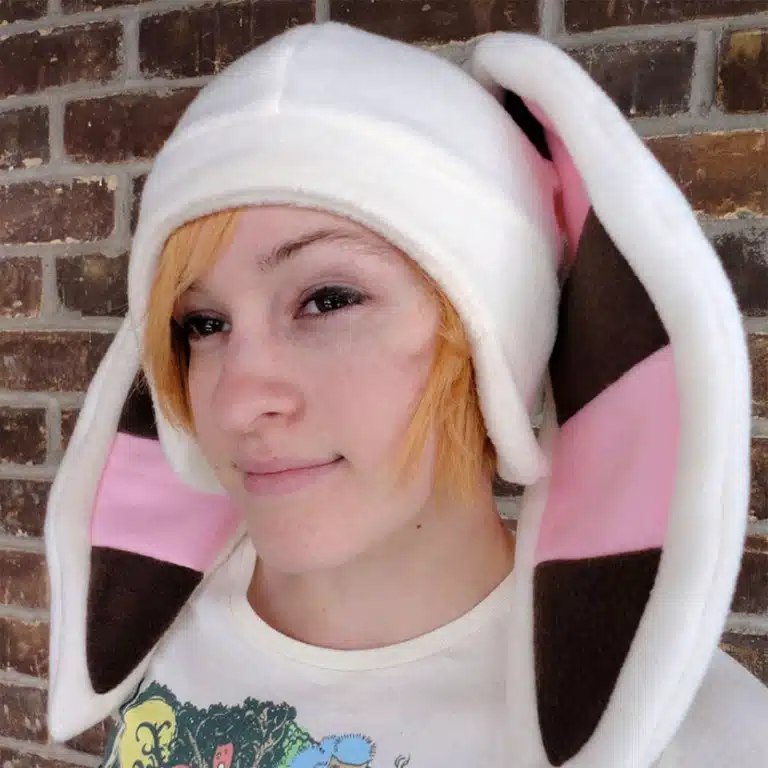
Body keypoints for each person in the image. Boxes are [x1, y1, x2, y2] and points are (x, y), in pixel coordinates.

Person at [44, 21, 768, 768]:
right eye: (203, 323)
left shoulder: (697, 744)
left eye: (328, 300)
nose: (233, 404)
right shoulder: (167, 629)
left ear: (492, 339)